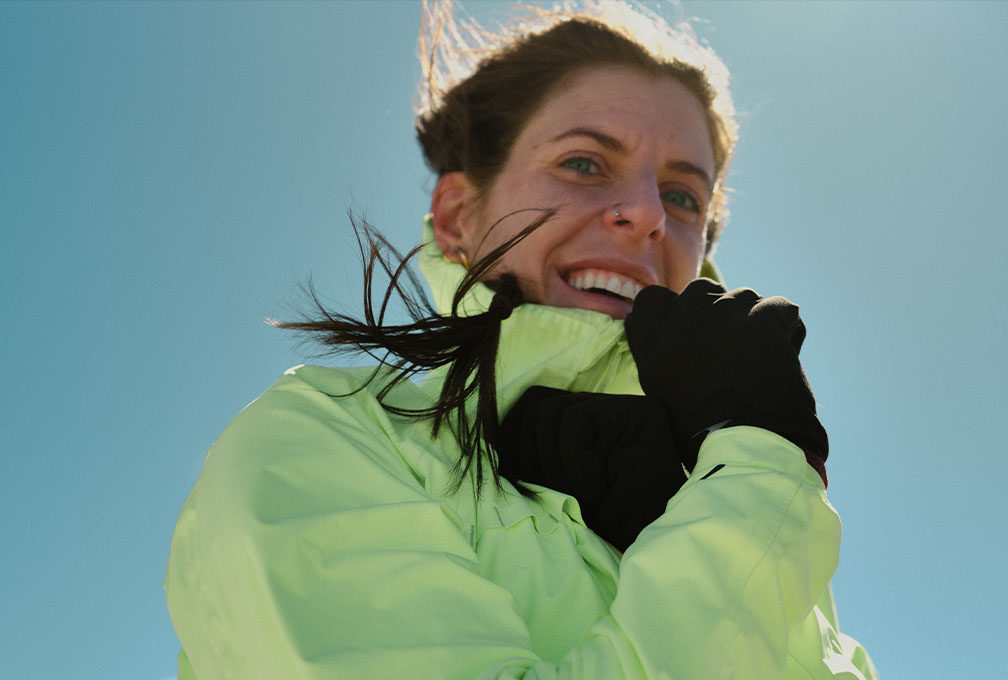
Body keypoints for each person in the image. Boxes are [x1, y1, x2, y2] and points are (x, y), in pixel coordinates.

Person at [165, 2, 880, 678]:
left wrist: (737, 472)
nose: (645, 213)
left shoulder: (736, 499)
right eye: (584, 164)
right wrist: (758, 471)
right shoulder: (326, 441)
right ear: (456, 216)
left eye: (683, 196)